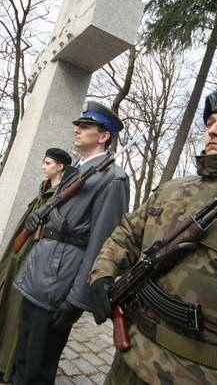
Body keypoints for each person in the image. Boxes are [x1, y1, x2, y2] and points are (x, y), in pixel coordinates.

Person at [88, 87, 217, 384]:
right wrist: (102, 274)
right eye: (211, 124)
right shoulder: (173, 189)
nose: (214, 131)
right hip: (129, 359)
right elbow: (126, 233)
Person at [12, 101, 130, 385]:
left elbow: (103, 242)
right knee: (24, 351)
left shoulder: (113, 178)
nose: (77, 131)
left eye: (86, 126)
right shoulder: (76, 171)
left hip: (59, 280)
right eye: (78, 125)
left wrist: (78, 297)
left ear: (104, 136)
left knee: (39, 362)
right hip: (40, 271)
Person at [0, 148, 75, 384]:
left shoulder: (63, 194)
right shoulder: (44, 190)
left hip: (36, 255)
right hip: (20, 251)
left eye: (48, 163)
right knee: (5, 299)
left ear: (60, 167)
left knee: (19, 310)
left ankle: (4, 366)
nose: (43, 166)